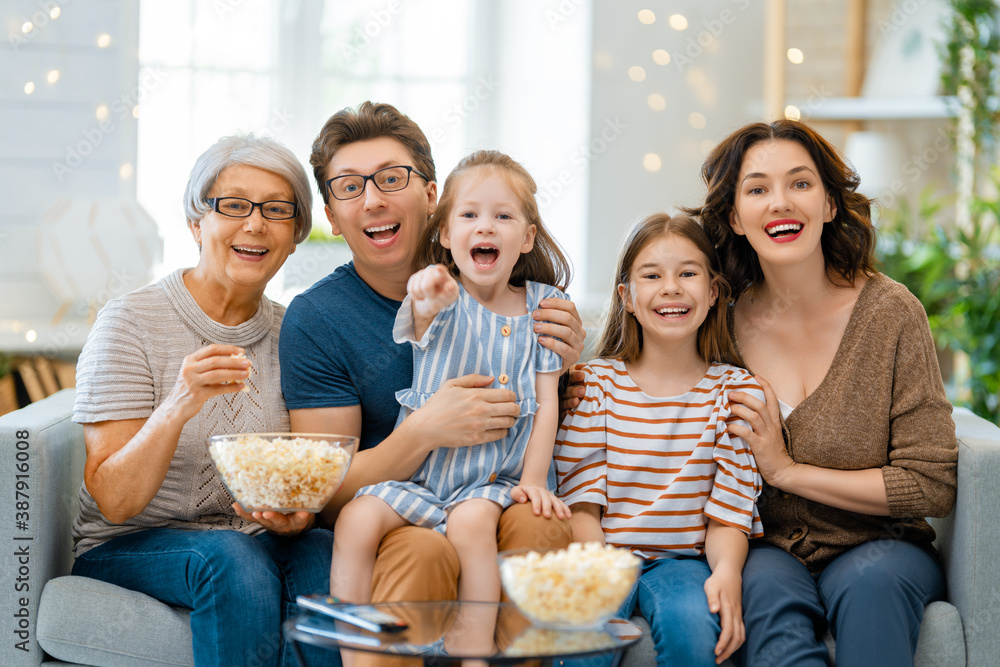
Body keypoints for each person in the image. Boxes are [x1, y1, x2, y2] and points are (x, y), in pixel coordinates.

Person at [279, 103, 585, 608]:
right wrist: (425, 429)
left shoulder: (531, 302)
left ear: (431, 196)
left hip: (496, 488)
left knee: (542, 528)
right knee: (422, 557)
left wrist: (569, 361)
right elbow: (325, 489)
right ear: (332, 217)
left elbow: (551, 400)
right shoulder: (319, 318)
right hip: (403, 502)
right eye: (350, 187)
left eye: (390, 178)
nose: (373, 200)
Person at [687, 120, 958, 667]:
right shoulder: (717, 322)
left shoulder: (891, 313)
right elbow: (637, 371)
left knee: (872, 586)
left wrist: (785, 471)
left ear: (832, 204)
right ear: (735, 218)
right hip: (768, 549)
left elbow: (930, 485)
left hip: (884, 548)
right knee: (761, 590)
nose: (780, 203)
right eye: (758, 189)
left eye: (801, 184)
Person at [70, 134, 336, 667]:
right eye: (233, 206)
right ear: (198, 223)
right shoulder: (130, 323)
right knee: (230, 556)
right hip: (131, 543)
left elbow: (302, 480)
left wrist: (295, 518)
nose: (254, 224)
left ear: (293, 236)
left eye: (277, 211)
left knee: (326, 553)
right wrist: (179, 403)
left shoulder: (296, 333)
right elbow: (115, 502)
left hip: (252, 539)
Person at [332, 151, 573, 655]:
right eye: (469, 215)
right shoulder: (439, 296)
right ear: (444, 234)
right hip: (419, 478)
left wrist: (533, 482)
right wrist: (425, 290)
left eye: (503, 216)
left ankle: (474, 647)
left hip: (491, 481)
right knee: (357, 518)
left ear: (526, 238)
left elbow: (547, 403)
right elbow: (421, 311)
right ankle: (352, 636)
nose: (485, 226)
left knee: (471, 527)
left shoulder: (544, 307)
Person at [555, 213, 763, 667]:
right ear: (627, 297)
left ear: (712, 292)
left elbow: (729, 511)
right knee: (581, 643)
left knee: (693, 631)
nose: (671, 288)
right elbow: (582, 504)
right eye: (652, 275)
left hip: (684, 564)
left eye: (688, 273)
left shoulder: (735, 392)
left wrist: (726, 573)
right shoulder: (593, 386)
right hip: (602, 554)